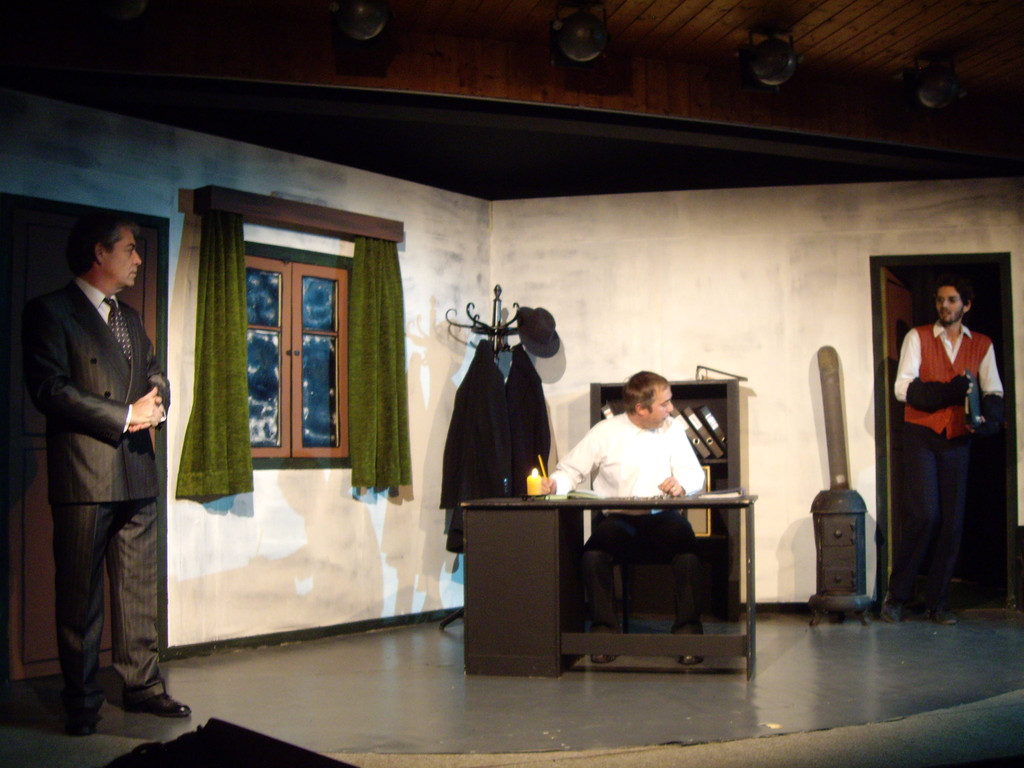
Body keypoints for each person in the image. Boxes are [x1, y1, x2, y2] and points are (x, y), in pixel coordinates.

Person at [22, 212, 190, 735]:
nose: (138, 259)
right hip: (86, 474)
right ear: (100, 253)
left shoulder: (130, 317)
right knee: (80, 597)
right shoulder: (51, 311)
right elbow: (50, 389)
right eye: (129, 249)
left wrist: (156, 402)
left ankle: (143, 686)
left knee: (139, 589)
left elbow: (154, 372)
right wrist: (123, 414)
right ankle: (81, 700)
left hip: (137, 469)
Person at [541, 371, 707, 664]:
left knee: (689, 553)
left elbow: (693, 474)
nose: (671, 409)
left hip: (662, 517)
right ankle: (605, 635)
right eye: (664, 404)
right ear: (641, 408)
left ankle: (688, 636)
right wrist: (555, 484)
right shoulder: (605, 432)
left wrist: (681, 484)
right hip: (619, 521)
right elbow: (570, 470)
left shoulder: (673, 430)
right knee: (592, 556)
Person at [881, 273, 1004, 626]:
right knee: (925, 516)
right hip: (921, 434)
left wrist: (989, 421)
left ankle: (938, 603)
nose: (944, 306)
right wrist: (951, 390)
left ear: (966, 305)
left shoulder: (981, 344)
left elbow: (993, 391)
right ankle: (897, 596)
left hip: (957, 438)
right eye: (940, 300)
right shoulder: (917, 337)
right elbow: (904, 389)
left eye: (951, 300)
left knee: (952, 523)